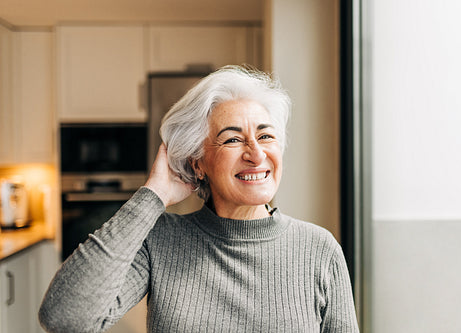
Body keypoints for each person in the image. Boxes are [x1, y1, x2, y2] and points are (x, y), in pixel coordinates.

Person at [39, 65, 359, 332]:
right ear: (198, 163)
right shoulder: (162, 240)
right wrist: (153, 196)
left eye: (266, 136)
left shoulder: (320, 249)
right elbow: (64, 319)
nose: (256, 153)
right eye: (233, 139)